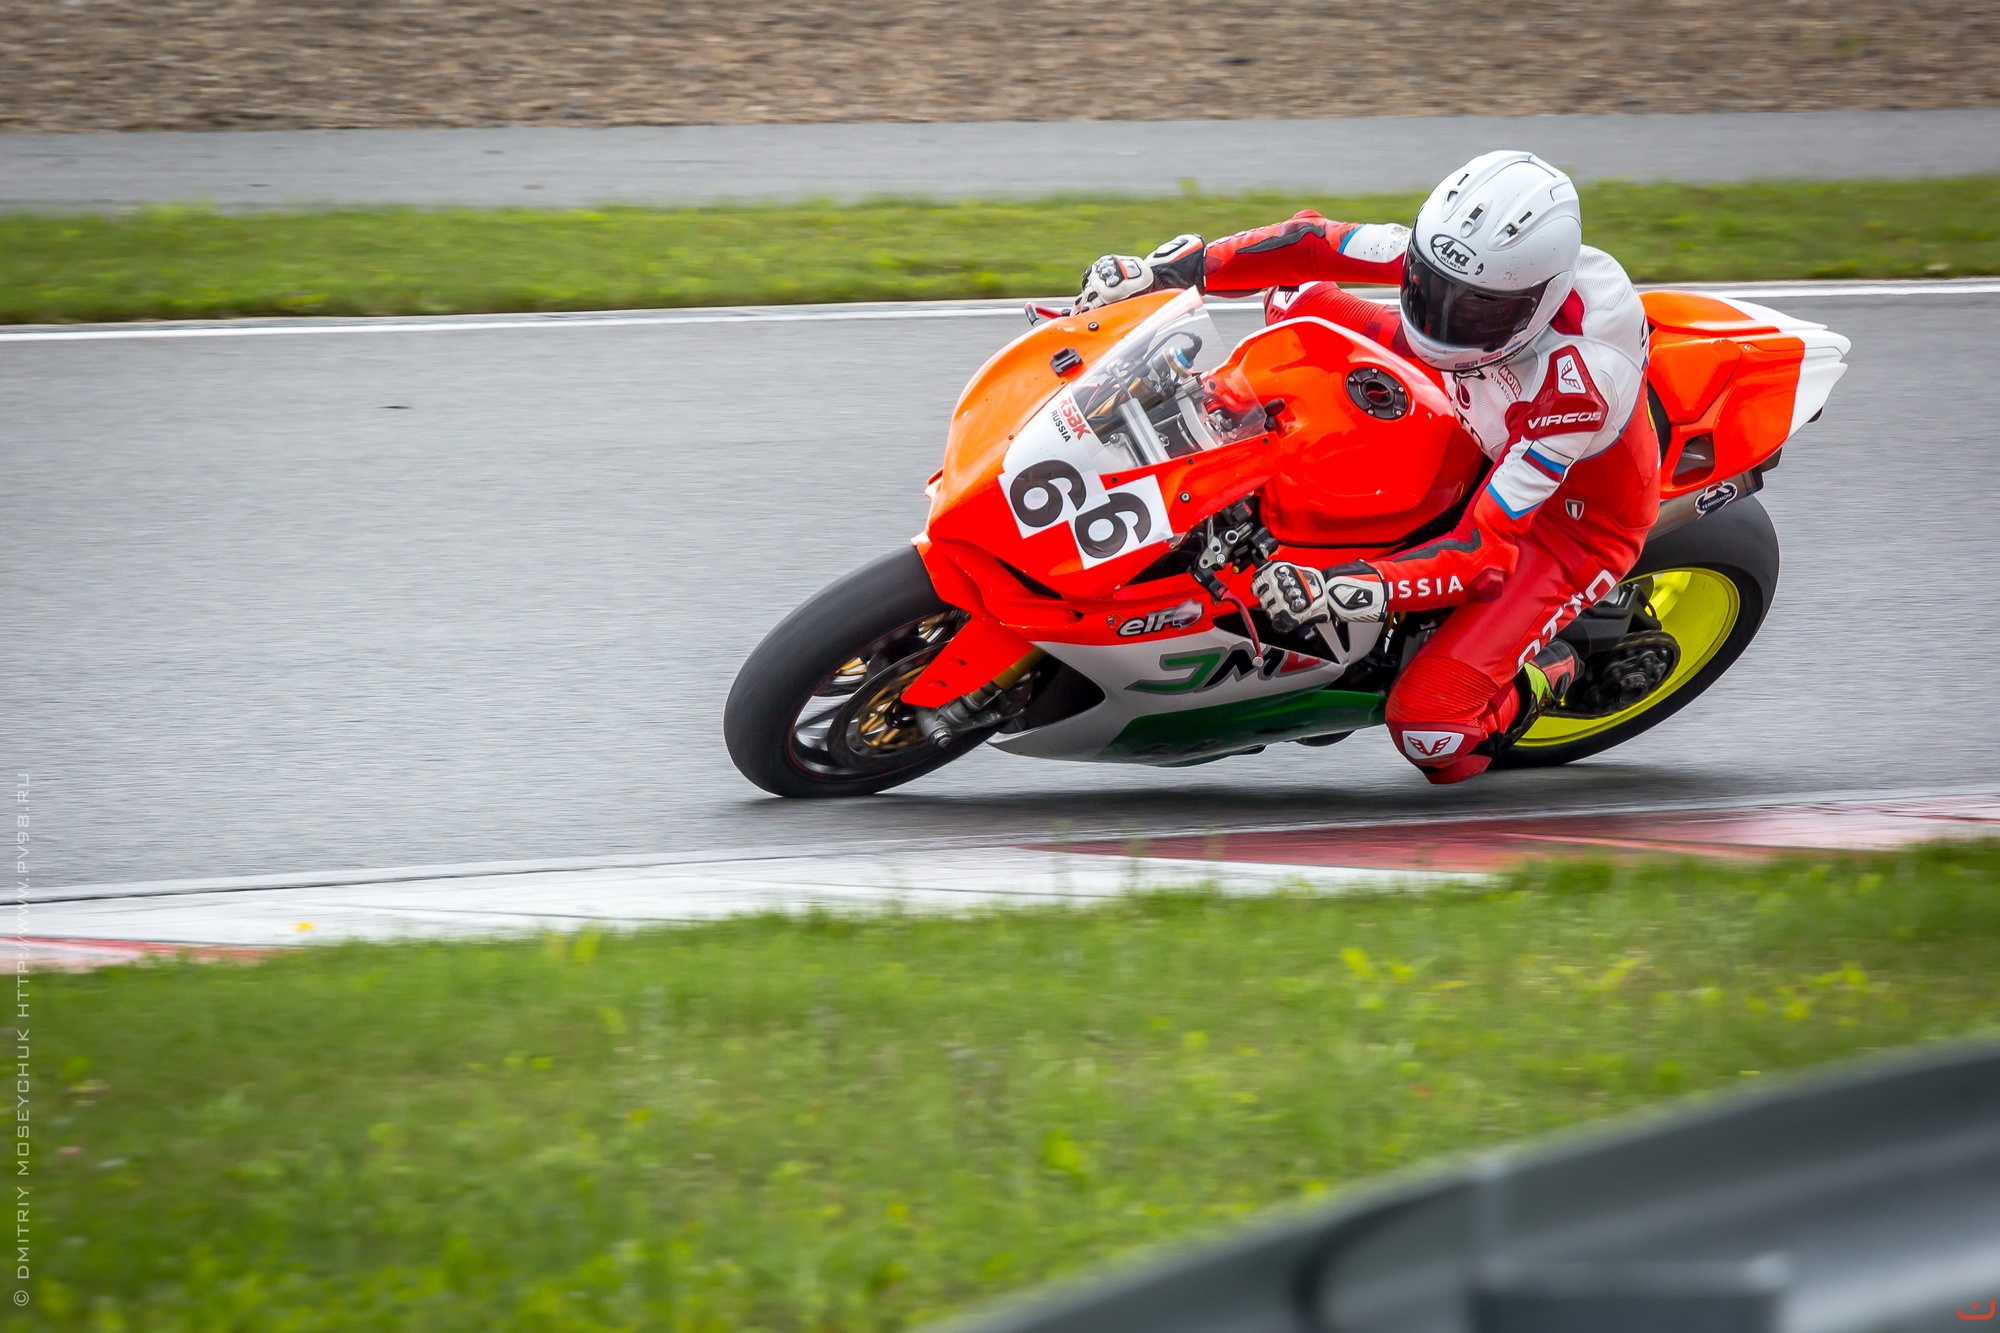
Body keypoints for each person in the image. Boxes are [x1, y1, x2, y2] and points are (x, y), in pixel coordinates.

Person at [1074, 151, 1656, 784]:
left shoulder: (1576, 389)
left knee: (1435, 735)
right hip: (1473, 382)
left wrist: (1350, 587)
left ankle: (1555, 667)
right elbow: (1311, 242)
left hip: (1566, 520)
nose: (1441, 318)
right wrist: (1168, 271)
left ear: (1539, 301)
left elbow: (1481, 553)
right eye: (1429, 287)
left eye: (1474, 309)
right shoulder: (1468, 266)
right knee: (1292, 298)